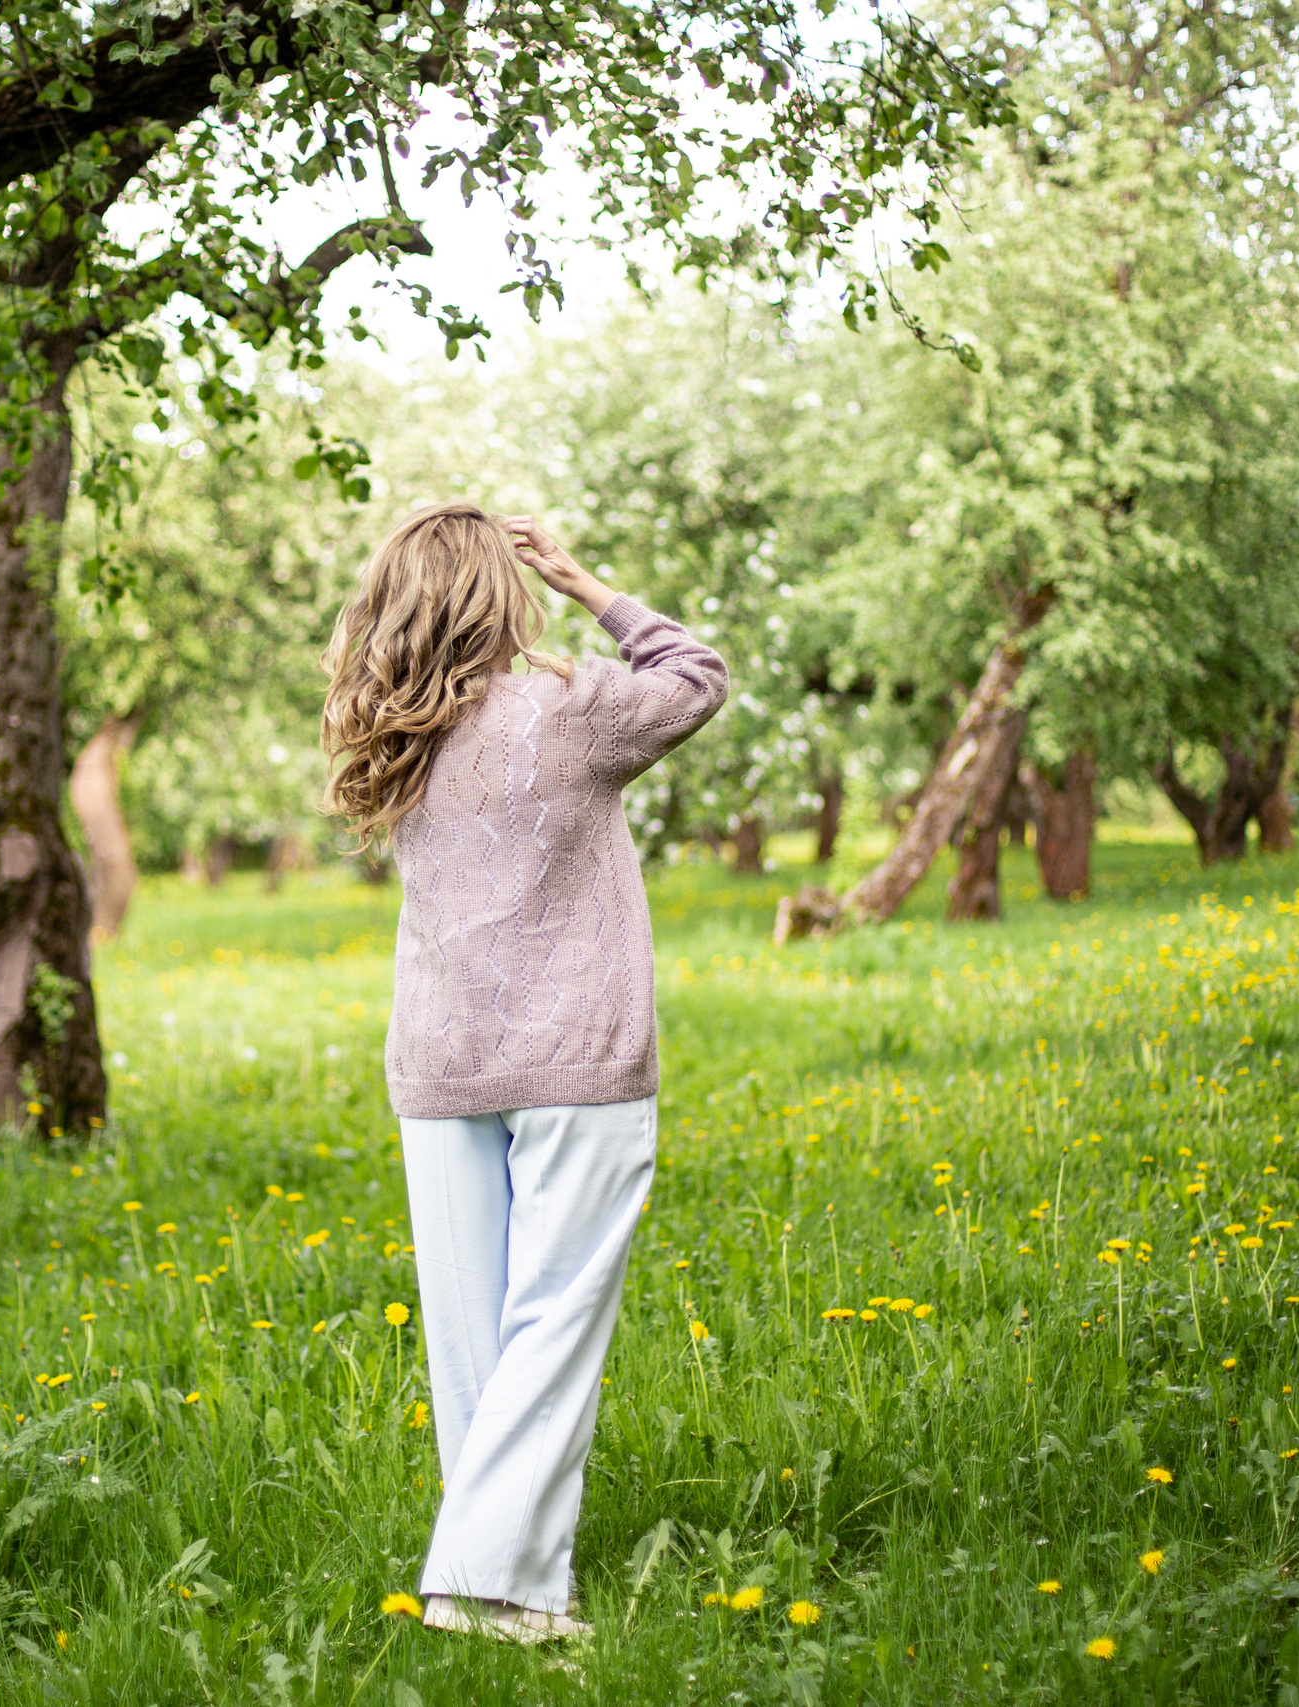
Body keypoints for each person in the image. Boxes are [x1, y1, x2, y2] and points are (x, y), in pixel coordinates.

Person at [319, 502, 728, 1643]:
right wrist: (589, 581)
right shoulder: (570, 707)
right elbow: (695, 673)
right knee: (551, 1323)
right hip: (576, 1060)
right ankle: (487, 1589)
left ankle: (495, 1588)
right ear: (507, 593)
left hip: (444, 1062)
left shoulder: (386, 723)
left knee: (473, 1342)